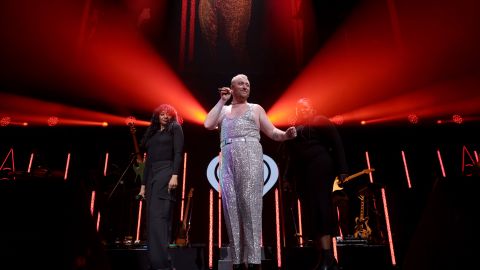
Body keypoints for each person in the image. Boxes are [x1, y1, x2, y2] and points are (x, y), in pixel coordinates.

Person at [204, 74, 297, 270]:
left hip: (250, 156)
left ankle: (254, 261)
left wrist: (286, 135)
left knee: (250, 206)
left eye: (248, 84)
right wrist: (221, 101)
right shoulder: (225, 110)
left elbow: (272, 132)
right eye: (241, 83)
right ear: (232, 87)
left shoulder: (256, 109)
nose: (246, 86)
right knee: (231, 208)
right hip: (228, 159)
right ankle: (237, 261)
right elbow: (208, 124)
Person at [283, 98, 348, 270]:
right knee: (311, 212)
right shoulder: (295, 128)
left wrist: (342, 170)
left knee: (321, 208)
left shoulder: (320, 120)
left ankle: (327, 257)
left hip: (320, 168)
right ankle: (327, 259)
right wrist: (287, 177)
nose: (301, 110)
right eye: (298, 108)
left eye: (304, 107)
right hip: (303, 174)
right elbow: (292, 156)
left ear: (312, 108)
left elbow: (337, 143)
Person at [137, 104, 184, 270]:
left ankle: (163, 264)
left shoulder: (175, 128)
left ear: (172, 116)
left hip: (166, 171)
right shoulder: (154, 133)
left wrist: (175, 175)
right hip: (151, 175)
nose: (164, 116)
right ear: (157, 116)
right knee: (151, 219)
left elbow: (178, 152)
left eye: (167, 114)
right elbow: (148, 162)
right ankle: (154, 262)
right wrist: (143, 185)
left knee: (160, 218)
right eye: (161, 114)